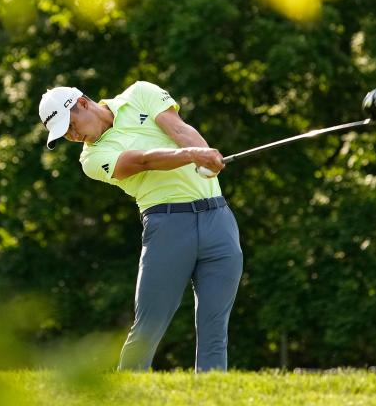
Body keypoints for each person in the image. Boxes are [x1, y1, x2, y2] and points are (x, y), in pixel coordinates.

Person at [38, 81, 242, 372]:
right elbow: (144, 161)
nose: (72, 136)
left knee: (215, 328)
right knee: (149, 326)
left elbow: (179, 130)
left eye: (70, 126)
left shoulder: (140, 94)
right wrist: (194, 155)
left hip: (218, 218)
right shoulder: (91, 159)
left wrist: (204, 153)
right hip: (168, 224)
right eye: (64, 134)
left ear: (82, 103)